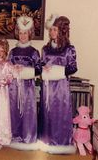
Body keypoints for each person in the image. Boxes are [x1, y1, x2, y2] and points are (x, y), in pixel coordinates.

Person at [38, 14, 78, 154]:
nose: (51, 32)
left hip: (61, 87)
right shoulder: (45, 49)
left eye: (54, 29)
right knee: (47, 112)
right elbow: (41, 65)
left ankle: (61, 143)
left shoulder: (69, 49)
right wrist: (43, 68)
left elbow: (73, 67)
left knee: (59, 113)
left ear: (61, 31)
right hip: (47, 86)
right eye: (51, 30)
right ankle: (46, 142)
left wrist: (56, 70)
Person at [8, 16, 42, 150]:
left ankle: (28, 136)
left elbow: (38, 69)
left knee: (28, 110)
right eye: (21, 33)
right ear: (18, 33)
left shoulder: (34, 52)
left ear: (30, 34)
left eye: (25, 33)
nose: (23, 36)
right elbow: (7, 68)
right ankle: (14, 136)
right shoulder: (13, 51)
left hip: (28, 87)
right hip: (14, 87)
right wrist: (13, 68)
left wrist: (26, 70)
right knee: (14, 109)